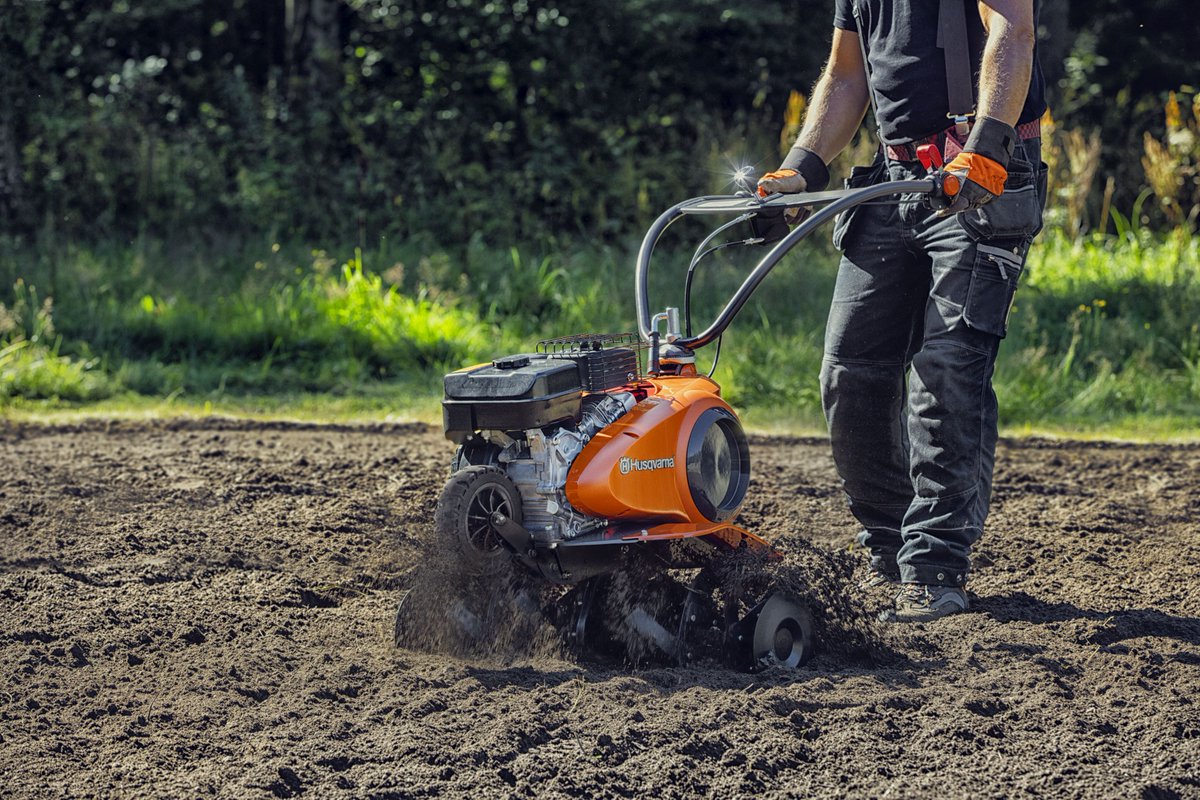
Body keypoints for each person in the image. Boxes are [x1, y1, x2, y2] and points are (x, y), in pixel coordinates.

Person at [757, 0, 1047, 621]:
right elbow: (846, 75)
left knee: (946, 369)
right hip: (894, 181)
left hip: (984, 175)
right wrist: (800, 169)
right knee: (848, 372)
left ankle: (935, 566)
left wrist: (988, 144)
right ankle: (890, 549)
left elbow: (1012, 31)